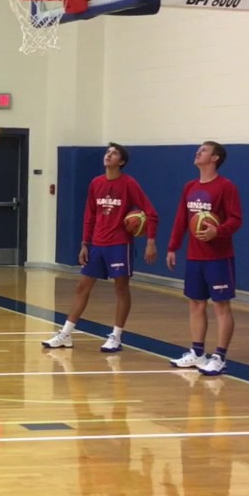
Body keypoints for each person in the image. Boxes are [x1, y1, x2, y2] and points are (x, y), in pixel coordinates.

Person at [43, 143, 159, 353]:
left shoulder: (129, 183)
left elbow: (151, 212)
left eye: (114, 153)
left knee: (121, 289)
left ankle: (116, 336)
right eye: (108, 152)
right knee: (82, 287)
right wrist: (84, 243)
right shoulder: (96, 182)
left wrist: (151, 241)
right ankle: (66, 334)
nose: (109, 155)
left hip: (119, 244)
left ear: (121, 162)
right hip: (97, 243)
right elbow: (90, 215)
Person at [167, 141, 243, 376]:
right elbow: (181, 219)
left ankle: (219, 357)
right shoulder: (189, 186)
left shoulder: (226, 186)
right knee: (196, 304)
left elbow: (236, 219)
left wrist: (216, 231)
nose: (198, 152)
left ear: (215, 158)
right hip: (194, 256)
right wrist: (173, 247)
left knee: (221, 306)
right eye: (198, 149)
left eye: (204, 150)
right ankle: (198, 353)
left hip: (218, 256)